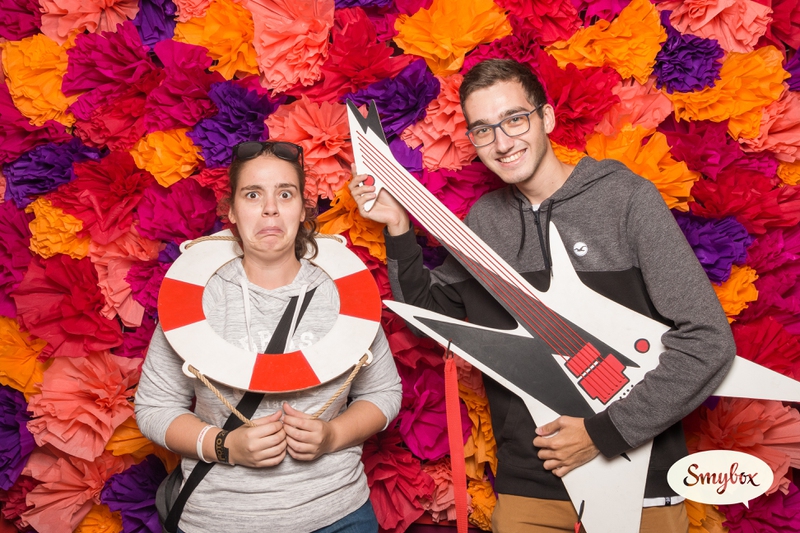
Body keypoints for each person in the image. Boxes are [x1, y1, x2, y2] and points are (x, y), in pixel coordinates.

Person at [349, 59, 735, 532]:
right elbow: (430, 316)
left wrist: (604, 433)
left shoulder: (625, 200)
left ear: (546, 117)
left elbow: (707, 340)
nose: (502, 142)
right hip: (530, 488)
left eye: (514, 119)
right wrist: (397, 227)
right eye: (483, 129)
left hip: (639, 484)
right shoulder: (485, 222)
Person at [136, 141, 402, 533]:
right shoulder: (194, 298)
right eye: (252, 194)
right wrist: (225, 446)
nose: (270, 209)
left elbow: (383, 392)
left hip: (339, 515)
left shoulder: (346, 294)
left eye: (285, 194)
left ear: (303, 209)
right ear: (232, 210)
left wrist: (333, 435)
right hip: (219, 521)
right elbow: (154, 408)